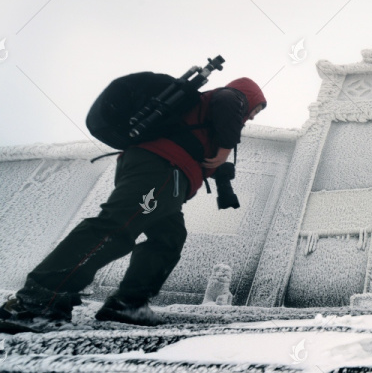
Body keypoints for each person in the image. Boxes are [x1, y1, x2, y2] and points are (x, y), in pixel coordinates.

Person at [0, 77, 267, 329]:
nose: (253, 116)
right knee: (117, 226)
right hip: (163, 170)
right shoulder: (230, 97)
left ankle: (127, 304)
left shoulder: (207, 116)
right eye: (256, 108)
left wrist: (222, 181)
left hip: (167, 179)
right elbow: (229, 103)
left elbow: (204, 147)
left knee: (168, 240)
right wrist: (224, 152)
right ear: (249, 97)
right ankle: (40, 300)